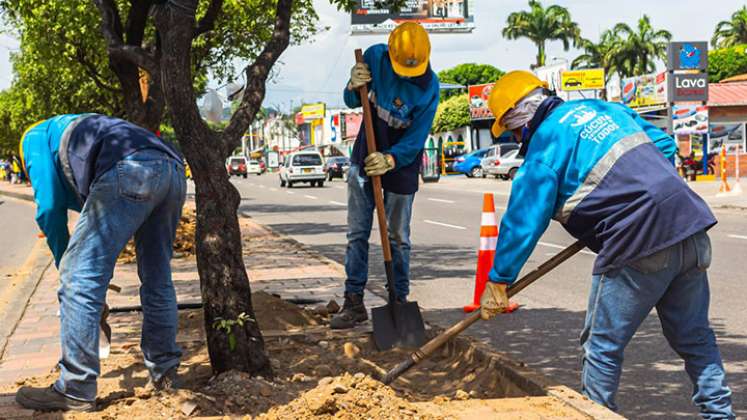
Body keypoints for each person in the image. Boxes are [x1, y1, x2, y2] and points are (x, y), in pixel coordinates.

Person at [479, 71, 734, 418]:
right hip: (688, 223)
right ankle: (720, 414)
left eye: (511, 131)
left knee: (602, 347)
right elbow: (664, 145)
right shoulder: (602, 108)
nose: (515, 137)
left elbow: (523, 221)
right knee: (695, 337)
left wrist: (499, 279)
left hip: (638, 239)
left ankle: (598, 414)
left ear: (519, 121)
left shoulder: (545, 148)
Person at [15, 114, 186, 412]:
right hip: (172, 168)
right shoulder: (81, 131)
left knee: (78, 277)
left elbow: (50, 211)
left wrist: (67, 266)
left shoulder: (33, 138)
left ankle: (76, 387)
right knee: (158, 276)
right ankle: (165, 373)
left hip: (129, 167)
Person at [330, 22, 439, 329]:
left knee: (398, 238)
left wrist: (391, 159)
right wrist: (352, 85)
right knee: (357, 234)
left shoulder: (429, 87)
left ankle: (398, 299)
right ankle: (353, 302)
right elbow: (353, 101)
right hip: (363, 158)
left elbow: (416, 140)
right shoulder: (376, 58)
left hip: (401, 167)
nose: (405, 75)